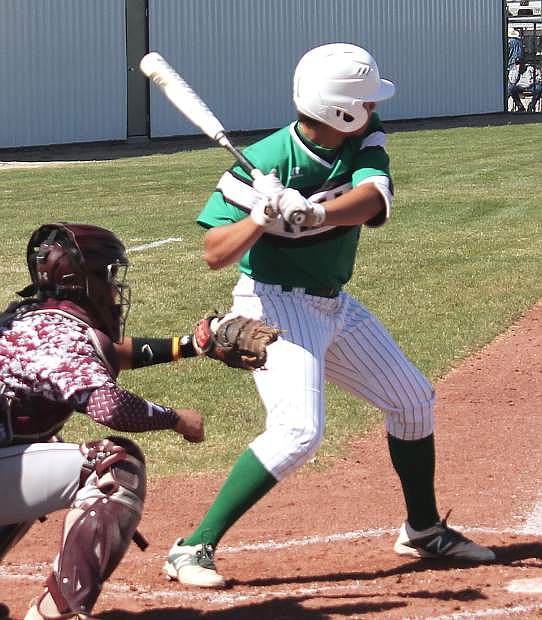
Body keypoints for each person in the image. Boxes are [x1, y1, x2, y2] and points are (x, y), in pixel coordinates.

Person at [163, 43, 496, 589]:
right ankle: (192, 547)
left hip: (331, 302)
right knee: (298, 430)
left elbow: (371, 199)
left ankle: (422, 529)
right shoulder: (266, 163)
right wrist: (260, 215)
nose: (373, 108)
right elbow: (214, 253)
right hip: (274, 303)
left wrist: (314, 209)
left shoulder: (364, 136)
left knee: (412, 402)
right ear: (340, 109)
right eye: (364, 102)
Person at [0, 222, 267, 619]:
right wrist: (176, 419)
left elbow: (105, 354)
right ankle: (57, 613)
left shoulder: (32, 320)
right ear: (86, 280)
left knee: (31, 456)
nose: (115, 289)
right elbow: (109, 407)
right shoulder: (59, 335)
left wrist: (190, 346)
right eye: (110, 277)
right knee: (112, 466)